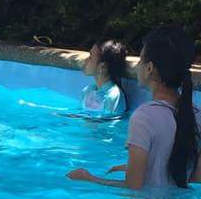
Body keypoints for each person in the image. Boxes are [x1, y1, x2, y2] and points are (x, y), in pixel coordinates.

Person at [68, 26, 200, 189]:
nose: (136, 65)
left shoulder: (144, 117)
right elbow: (195, 180)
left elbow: (133, 189)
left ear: (149, 68)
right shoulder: (197, 115)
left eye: (140, 59)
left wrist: (89, 178)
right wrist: (141, 167)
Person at [79, 39, 128, 118]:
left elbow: (107, 124)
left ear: (103, 67)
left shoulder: (113, 96)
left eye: (90, 57)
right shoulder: (87, 90)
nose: (86, 60)